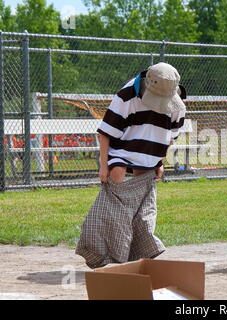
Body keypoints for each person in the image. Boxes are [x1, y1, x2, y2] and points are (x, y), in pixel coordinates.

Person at [76, 62, 186, 269]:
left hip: (148, 155)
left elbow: (170, 137)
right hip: (121, 148)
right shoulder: (126, 95)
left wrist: (159, 162)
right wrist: (103, 165)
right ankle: (104, 247)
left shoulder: (177, 106)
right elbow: (106, 132)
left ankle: (139, 250)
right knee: (117, 176)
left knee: (142, 212)